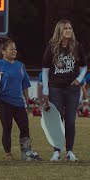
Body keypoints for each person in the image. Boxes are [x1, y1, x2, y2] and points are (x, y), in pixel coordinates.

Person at [42, 19, 87, 161]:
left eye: (70, 28)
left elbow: (84, 67)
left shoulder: (77, 46)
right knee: (57, 120)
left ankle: (69, 151)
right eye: (66, 28)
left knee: (70, 120)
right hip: (55, 88)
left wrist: (79, 79)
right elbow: (45, 70)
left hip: (72, 89)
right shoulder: (51, 47)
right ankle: (57, 151)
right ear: (60, 31)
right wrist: (45, 90)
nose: (69, 30)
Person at [0, 37, 41, 161]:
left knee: (25, 127)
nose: (14, 51)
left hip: (18, 102)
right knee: (7, 128)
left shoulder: (20, 66)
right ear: (3, 51)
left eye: (15, 49)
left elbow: (24, 83)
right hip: (4, 102)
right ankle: (8, 153)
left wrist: (28, 99)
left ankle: (26, 153)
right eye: (11, 49)